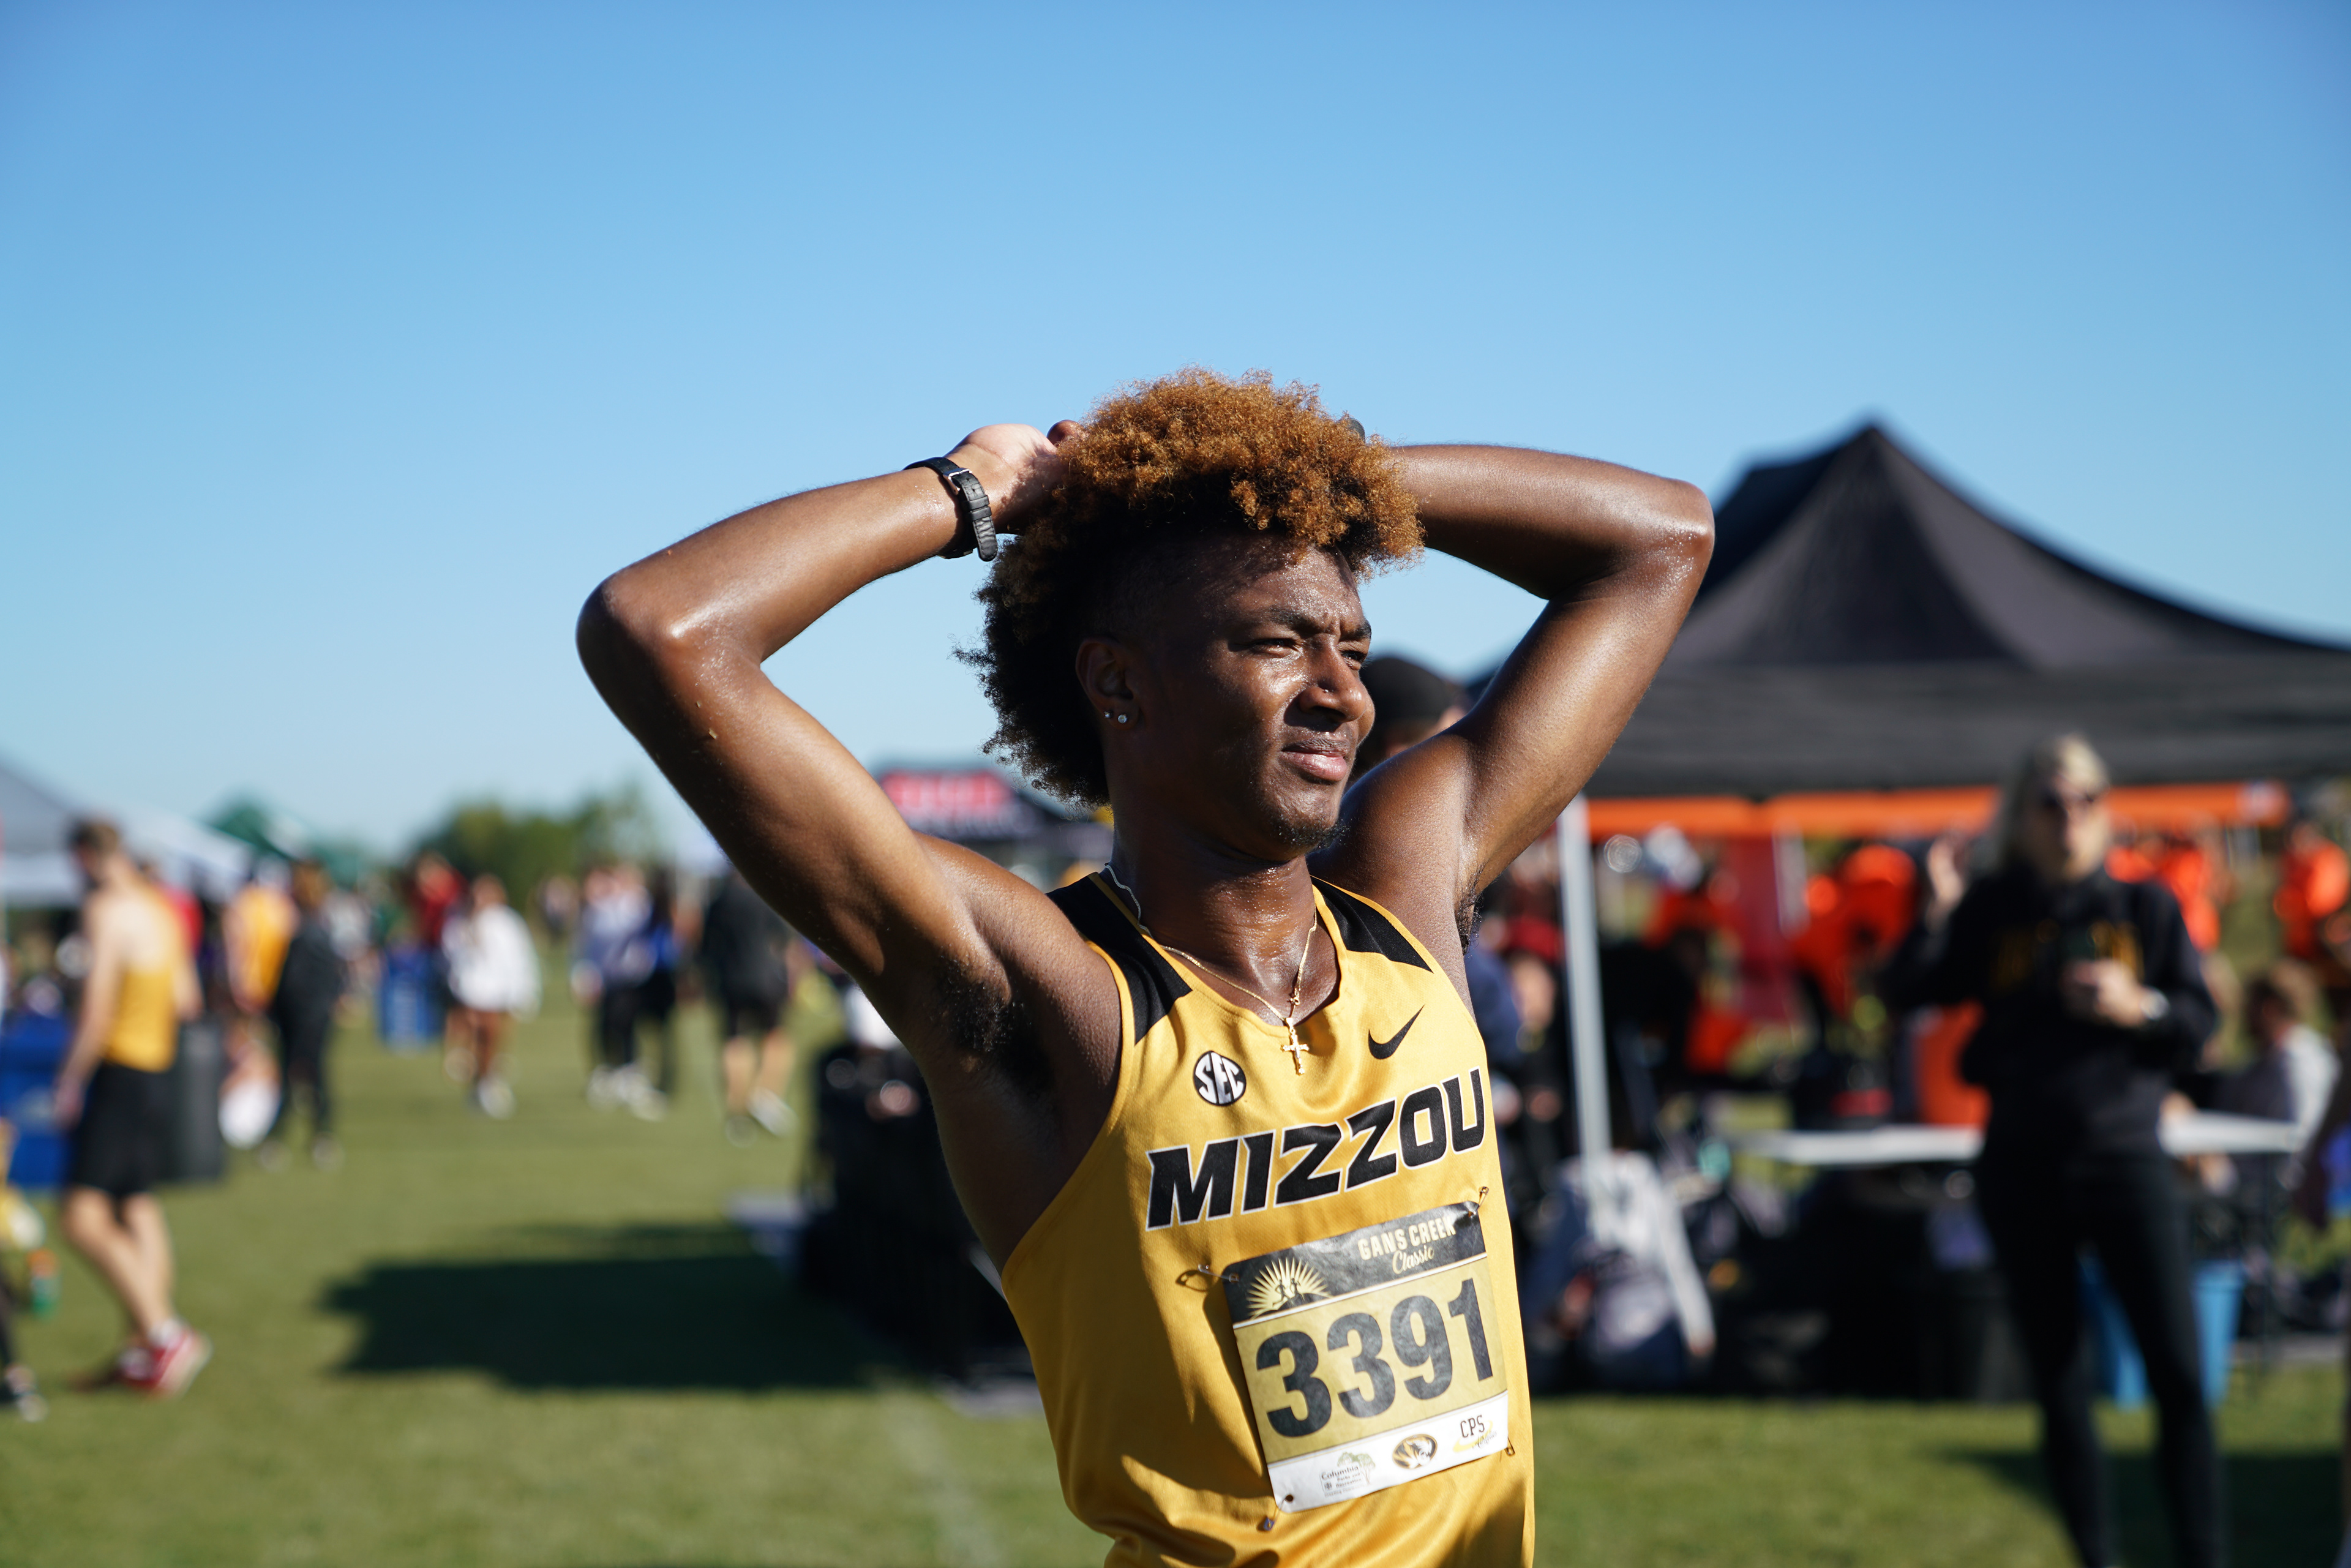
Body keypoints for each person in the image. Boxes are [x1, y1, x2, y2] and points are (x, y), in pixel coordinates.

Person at [579, 369, 1711, 1564]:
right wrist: (969, 492)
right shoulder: (1048, 989)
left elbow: (1661, 539)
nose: (1343, 696)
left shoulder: (1403, 901)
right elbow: (663, 628)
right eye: (1280, 641)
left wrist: (1309, 479)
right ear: (1119, 679)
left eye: (1354, 649)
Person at [1888, 734, 2221, 1568]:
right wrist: (1936, 906)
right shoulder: (1993, 906)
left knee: (2179, 1376)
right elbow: (1908, 991)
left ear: (2105, 810)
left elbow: (2201, 1025)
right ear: (2022, 814)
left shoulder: (2143, 907)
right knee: (2062, 1383)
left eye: (2085, 800)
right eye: (2050, 801)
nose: (2069, 817)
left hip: (2124, 1157)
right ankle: (2096, 1555)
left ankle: (2202, 1554)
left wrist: (2135, 1003)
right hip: (2024, 1165)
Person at [52, 819, 210, 1398]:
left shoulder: (105, 910)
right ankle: (145, 1348)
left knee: (80, 1217)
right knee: (137, 1205)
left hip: (118, 1071)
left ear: (88, 855)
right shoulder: (162, 909)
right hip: (158, 1072)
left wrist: (69, 1080)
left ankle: (165, 1333)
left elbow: (95, 1010)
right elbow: (187, 999)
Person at [258, 858, 348, 1171]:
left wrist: (275, 1009)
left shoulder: (302, 928)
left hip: (302, 1014)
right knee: (312, 1075)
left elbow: (293, 981)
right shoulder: (319, 923)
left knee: (298, 1076)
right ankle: (316, 1137)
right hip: (314, 1013)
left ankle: (283, 1139)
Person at [702, 863, 800, 1144]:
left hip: (728, 982)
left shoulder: (718, 902)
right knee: (776, 1038)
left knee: (734, 1042)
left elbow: (705, 949)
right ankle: (765, 1094)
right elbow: (783, 941)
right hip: (766, 980)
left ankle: (737, 1113)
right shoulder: (762, 897)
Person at [442, 874, 540, 1119]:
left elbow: (520, 957)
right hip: (472, 990)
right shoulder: (462, 922)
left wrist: (524, 990)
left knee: (493, 1039)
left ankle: (487, 1081)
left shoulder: (508, 923)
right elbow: (453, 953)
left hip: (500, 991)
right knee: (474, 1034)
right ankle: (480, 1081)